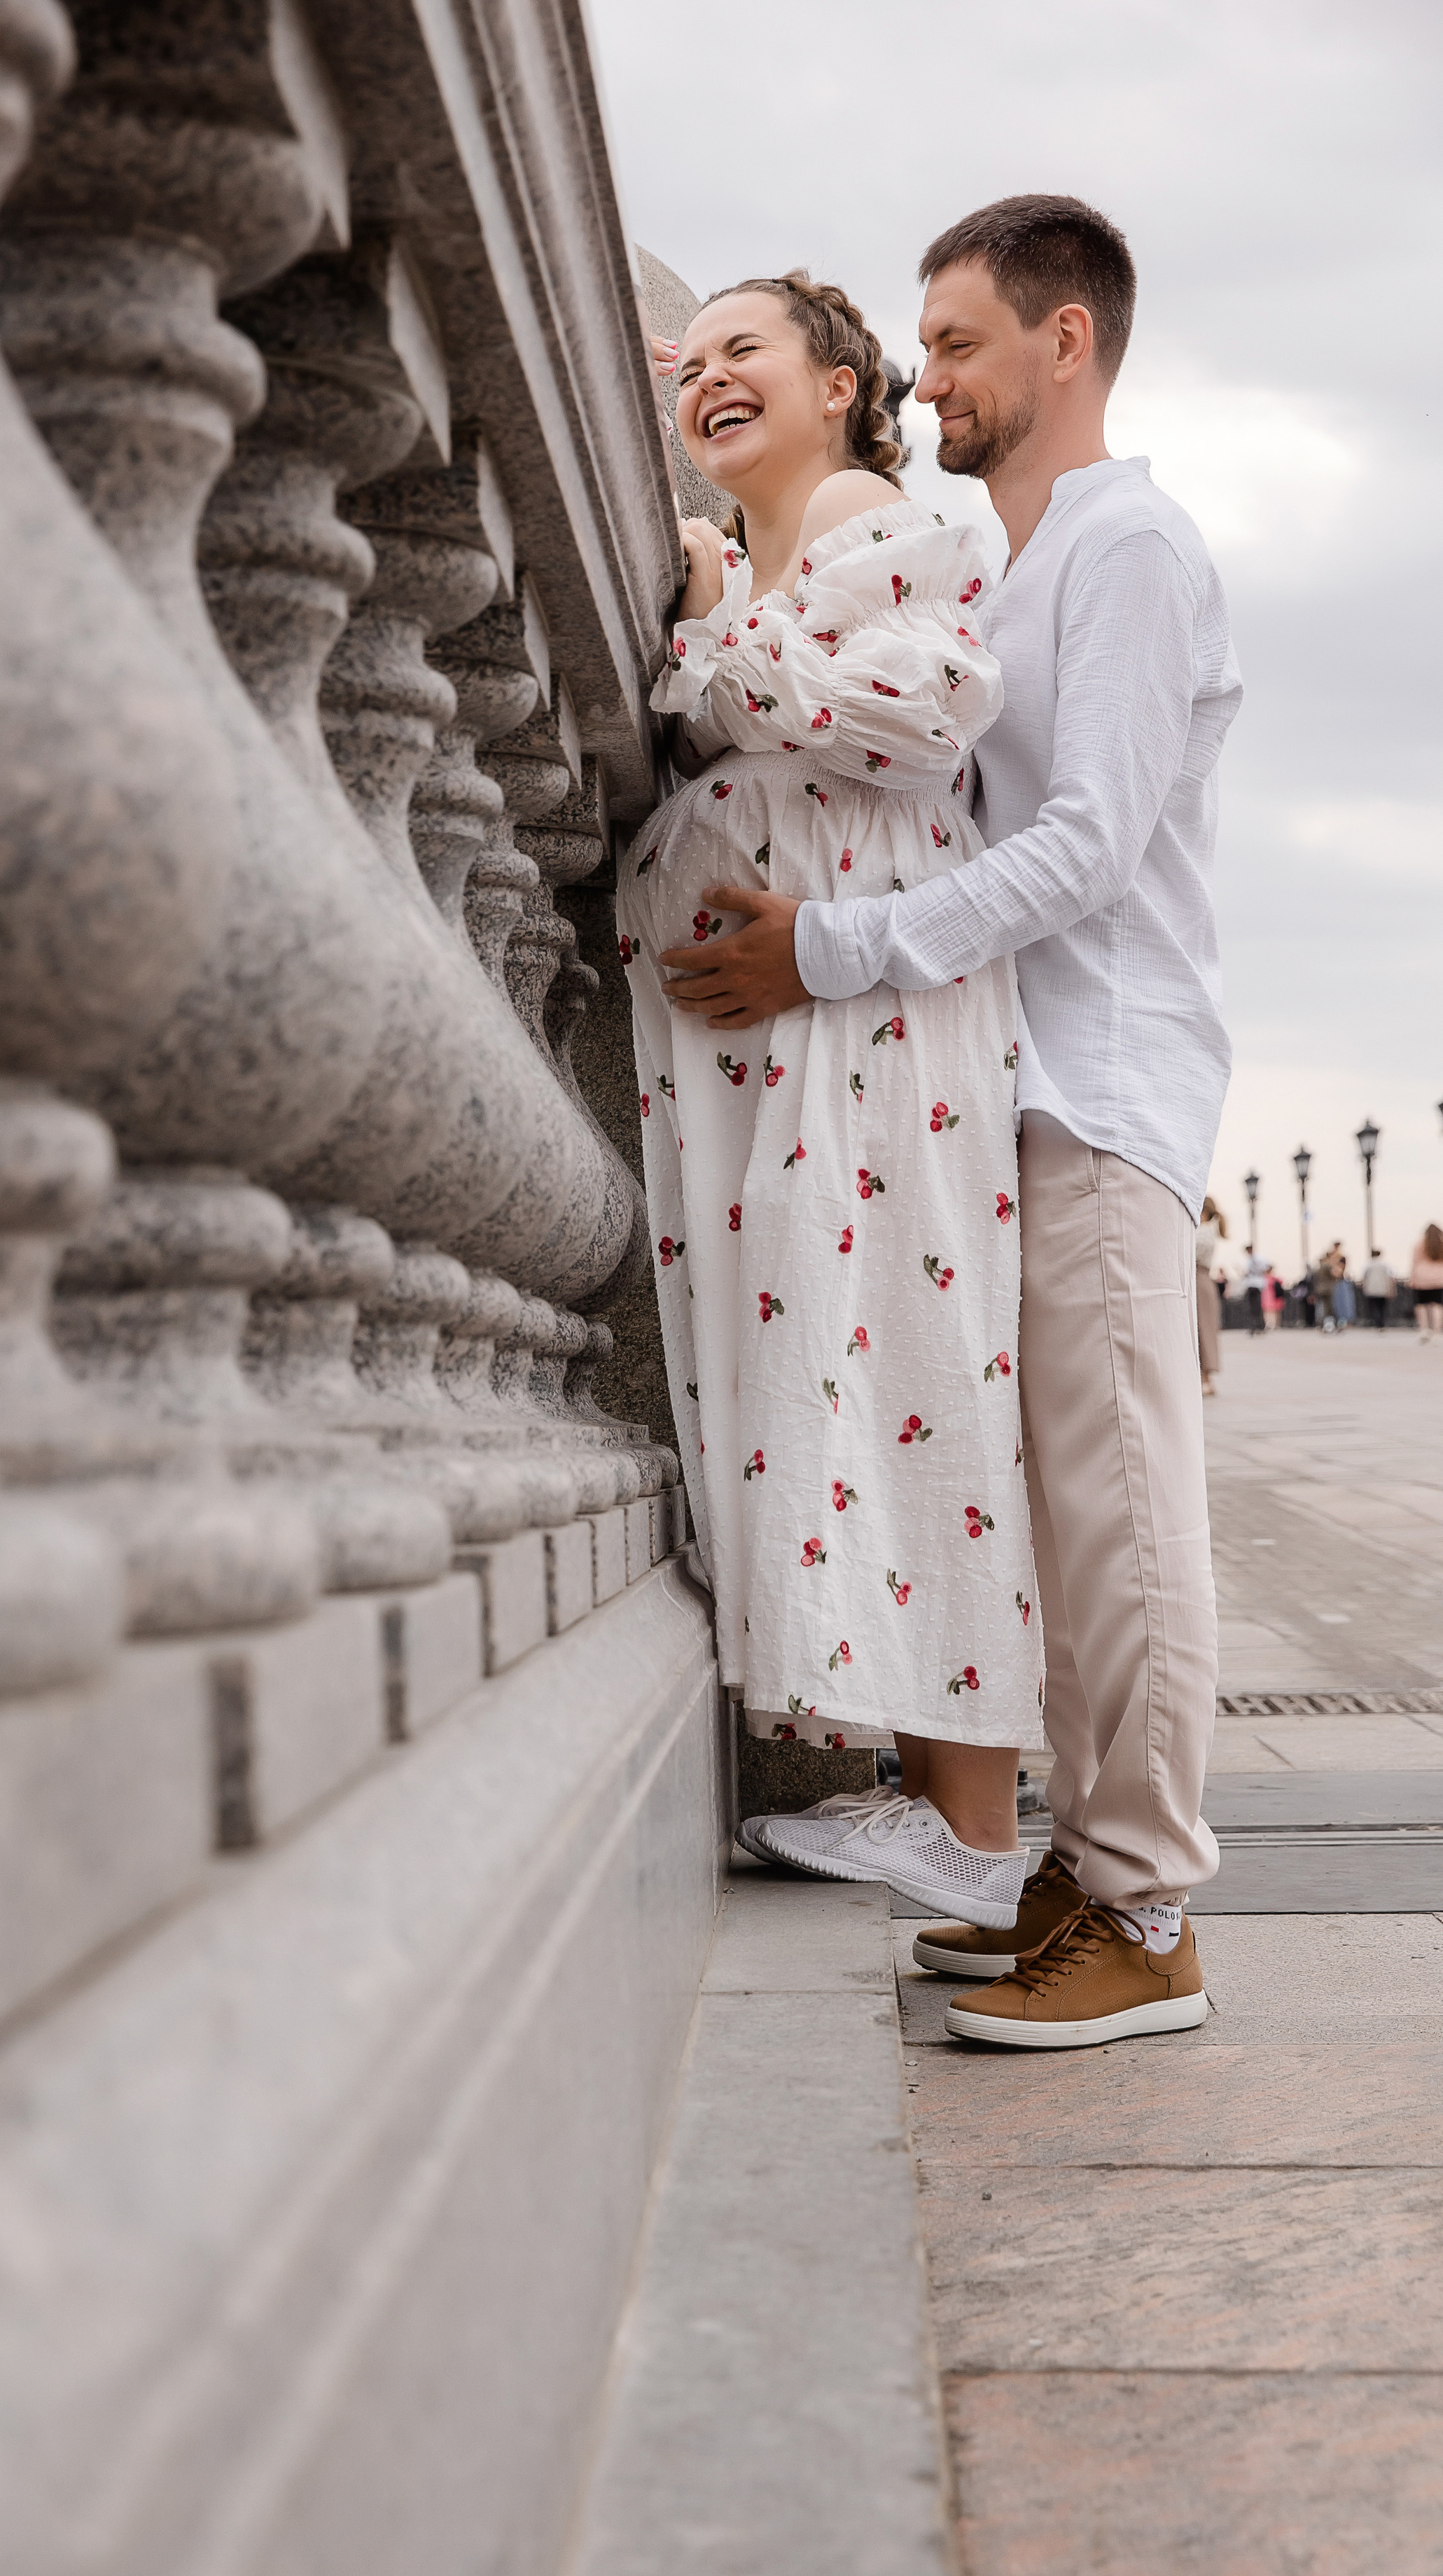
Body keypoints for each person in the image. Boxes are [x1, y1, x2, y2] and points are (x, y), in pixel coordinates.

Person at [653, 193, 1239, 2047]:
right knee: (1054, 1522)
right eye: (919, 346)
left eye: (960, 343)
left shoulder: (1124, 545)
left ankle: (1145, 1916)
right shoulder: (1016, 553)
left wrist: (831, 949)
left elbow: (1089, 847)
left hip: (1100, 1084)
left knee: (1120, 1515)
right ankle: (1074, 1875)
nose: (928, 380)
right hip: (1008, 1081)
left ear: (1067, 341)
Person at [627, 269, 1043, 1937]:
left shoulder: (871, 516)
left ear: (838, 385)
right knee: (847, 1362)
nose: (710, 379)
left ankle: (974, 1826)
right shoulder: (778, 555)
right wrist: (722, 603)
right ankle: (930, 1801)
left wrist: (707, 638)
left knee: (910, 1368)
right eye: (690, 364)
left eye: (748, 351)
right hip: (806, 1030)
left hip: (870, 1017)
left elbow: (919, 714)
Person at [1195, 1196, 1225, 1394]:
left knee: (1202, 1330)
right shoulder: (1208, 1231)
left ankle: (1205, 1378)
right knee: (1204, 1329)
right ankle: (1205, 1378)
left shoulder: (1203, 1232)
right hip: (1202, 1281)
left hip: (1199, 1280)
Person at [1412, 1225, 1443, 1338]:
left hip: (1422, 1278)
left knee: (1421, 1305)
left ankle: (1424, 1329)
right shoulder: (1441, 1243)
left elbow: (1415, 1262)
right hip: (1439, 1279)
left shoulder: (1420, 1244)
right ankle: (1436, 1330)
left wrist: (1413, 1278)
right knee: (1437, 1305)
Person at [1360, 1249, 1395, 1331]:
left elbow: (1364, 1278)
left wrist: (1364, 1288)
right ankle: (1381, 1323)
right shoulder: (1385, 1265)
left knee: (1373, 1307)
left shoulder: (1368, 1265)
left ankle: (1377, 1322)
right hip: (1383, 1289)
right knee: (1382, 1307)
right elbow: (1391, 1277)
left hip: (1371, 1290)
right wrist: (1391, 1290)